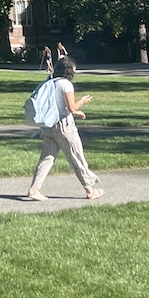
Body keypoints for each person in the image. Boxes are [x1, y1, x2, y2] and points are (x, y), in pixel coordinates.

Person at [24, 56, 103, 201]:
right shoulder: (66, 84)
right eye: (73, 68)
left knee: (47, 158)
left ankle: (34, 189)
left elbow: (60, 106)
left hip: (49, 125)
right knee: (76, 156)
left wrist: (75, 112)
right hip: (64, 126)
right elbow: (71, 107)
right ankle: (90, 190)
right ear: (69, 70)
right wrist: (82, 101)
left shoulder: (50, 82)